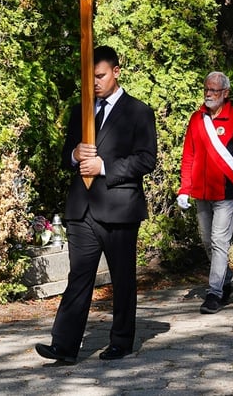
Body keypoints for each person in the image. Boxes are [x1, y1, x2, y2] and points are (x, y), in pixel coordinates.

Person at [36, 46, 158, 364]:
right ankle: (64, 346)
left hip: (119, 208)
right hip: (82, 209)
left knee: (122, 278)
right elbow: (66, 156)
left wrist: (104, 167)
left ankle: (121, 341)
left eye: (101, 76)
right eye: (90, 77)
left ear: (116, 72)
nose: (95, 83)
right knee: (78, 277)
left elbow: (147, 160)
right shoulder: (82, 111)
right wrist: (74, 155)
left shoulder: (139, 112)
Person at [177, 71, 233, 314]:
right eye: (206, 89)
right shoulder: (197, 119)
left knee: (220, 242)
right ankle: (227, 281)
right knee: (208, 242)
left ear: (225, 93)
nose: (208, 94)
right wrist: (184, 189)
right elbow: (188, 155)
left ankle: (214, 293)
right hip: (201, 192)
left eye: (214, 90)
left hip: (226, 193)